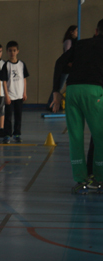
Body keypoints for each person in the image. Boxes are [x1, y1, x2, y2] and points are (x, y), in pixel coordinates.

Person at [51, 19, 103, 194]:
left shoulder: (81, 44)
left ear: (96, 31)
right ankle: (99, 179)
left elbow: (59, 62)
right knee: (100, 137)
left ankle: (81, 181)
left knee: (76, 138)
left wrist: (56, 91)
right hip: (94, 92)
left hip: (72, 91)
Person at [0, 41, 29, 144]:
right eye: (10, 51)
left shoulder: (21, 64)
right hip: (10, 95)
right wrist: (6, 95)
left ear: (17, 51)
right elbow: (4, 81)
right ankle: (7, 135)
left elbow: (24, 79)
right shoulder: (6, 65)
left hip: (19, 95)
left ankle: (17, 134)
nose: (12, 52)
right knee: (8, 116)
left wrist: (24, 92)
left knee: (18, 116)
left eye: (14, 50)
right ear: (7, 52)